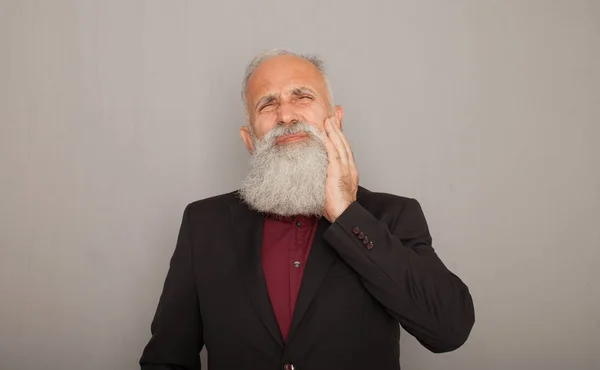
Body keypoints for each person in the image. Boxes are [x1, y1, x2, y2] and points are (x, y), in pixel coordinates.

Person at [139, 49, 475, 370]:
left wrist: (347, 214)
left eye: (302, 97)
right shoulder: (204, 225)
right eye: (267, 104)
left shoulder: (393, 215)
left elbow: (448, 328)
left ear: (336, 121)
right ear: (249, 139)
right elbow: (167, 359)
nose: (286, 115)